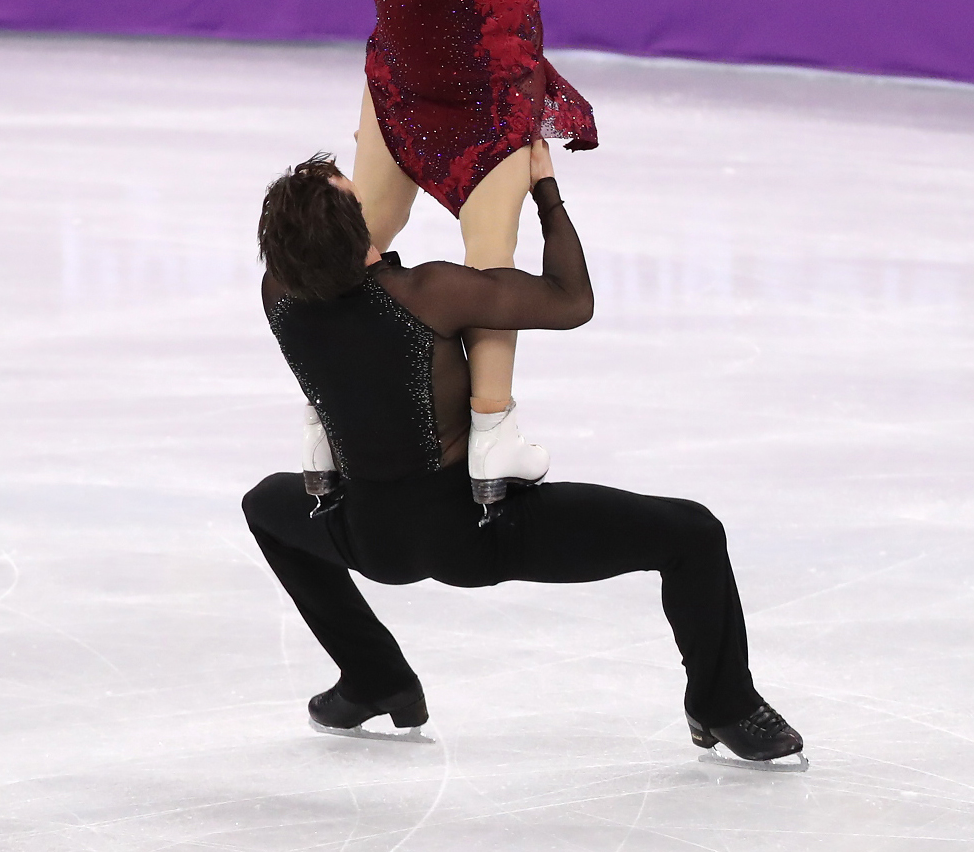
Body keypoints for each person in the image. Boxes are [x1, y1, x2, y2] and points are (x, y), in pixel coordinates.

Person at [243, 142, 805, 765]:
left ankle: (373, 675)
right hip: (475, 533)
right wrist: (544, 191)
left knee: (266, 506)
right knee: (692, 533)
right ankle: (723, 704)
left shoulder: (279, 296)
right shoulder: (428, 293)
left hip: (365, 535)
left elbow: (330, 256)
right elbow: (572, 300)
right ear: (360, 229)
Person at [182, 0, 598, 499]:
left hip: (448, 96)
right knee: (357, 249)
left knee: (486, 261)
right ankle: (330, 414)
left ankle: (490, 431)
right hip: (436, 98)